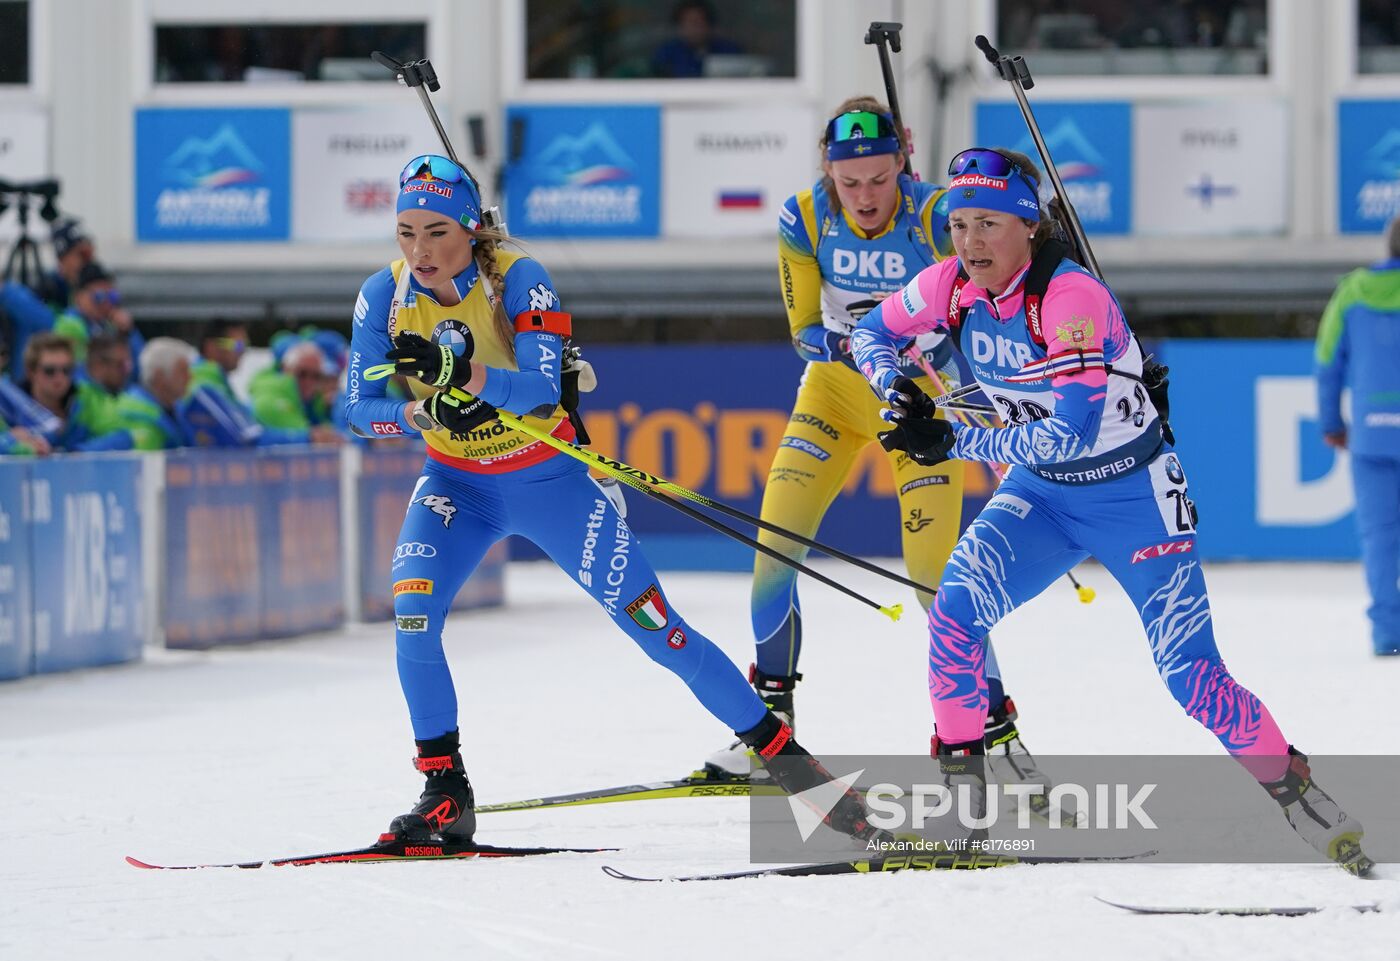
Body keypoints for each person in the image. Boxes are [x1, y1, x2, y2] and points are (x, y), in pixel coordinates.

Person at [850, 146, 1375, 875]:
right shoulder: (948, 288)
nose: (969, 242)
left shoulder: (1070, 298)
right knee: (955, 612)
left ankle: (1299, 793)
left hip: (1133, 501)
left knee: (1190, 674)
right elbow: (870, 331)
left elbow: (1070, 426)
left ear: (1028, 227)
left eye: (989, 224)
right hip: (1041, 496)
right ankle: (964, 813)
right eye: (960, 224)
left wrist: (951, 436)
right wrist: (895, 388)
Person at [345, 153, 885, 845]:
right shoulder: (383, 294)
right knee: (413, 616)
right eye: (406, 232)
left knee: (659, 629)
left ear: (472, 229)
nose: (420, 251)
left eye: (438, 232)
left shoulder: (518, 278)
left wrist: (463, 373)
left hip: (548, 479)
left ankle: (796, 772)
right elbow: (355, 407)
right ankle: (445, 791)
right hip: (457, 484)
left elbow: (540, 390)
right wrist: (418, 418)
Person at [702, 101, 1060, 819]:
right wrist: (870, 341)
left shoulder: (938, 217)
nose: (864, 197)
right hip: (834, 397)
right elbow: (805, 332)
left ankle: (999, 733)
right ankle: (771, 733)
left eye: (877, 177)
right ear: (827, 171)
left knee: (938, 583)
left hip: (919, 410)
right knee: (773, 547)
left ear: (904, 160)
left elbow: (985, 305)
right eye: (848, 180)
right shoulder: (805, 218)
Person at [1316, 212, 1400, 657]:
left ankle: (1388, 633)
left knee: (1381, 537)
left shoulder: (1353, 291)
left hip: (1373, 433)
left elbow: (1327, 363)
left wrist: (1331, 423)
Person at [6, 333, 129, 452]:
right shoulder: (8, 403)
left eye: (66, 370)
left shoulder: (86, 398)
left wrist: (76, 453)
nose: (59, 378)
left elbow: (123, 437)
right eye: (50, 371)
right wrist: (15, 443)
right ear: (30, 372)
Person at [53, 262, 145, 375]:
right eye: (99, 297)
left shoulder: (108, 325)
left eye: (112, 297)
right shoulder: (70, 325)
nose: (106, 303)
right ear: (78, 297)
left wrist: (128, 332)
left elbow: (141, 368)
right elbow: (80, 372)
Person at [250, 339, 343, 446]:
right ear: (286, 369)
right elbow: (318, 439)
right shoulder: (269, 397)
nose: (309, 382)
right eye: (302, 374)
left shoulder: (314, 401)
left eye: (316, 376)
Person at [113, 336, 196, 450]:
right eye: (182, 372)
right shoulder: (138, 419)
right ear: (160, 376)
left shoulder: (177, 409)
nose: (190, 377)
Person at [651, 0, 743, 78]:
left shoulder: (729, 50)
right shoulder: (666, 53)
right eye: (689, 23)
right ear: (680, 26)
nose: (694, 28)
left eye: (698, 22)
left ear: (709, 25)